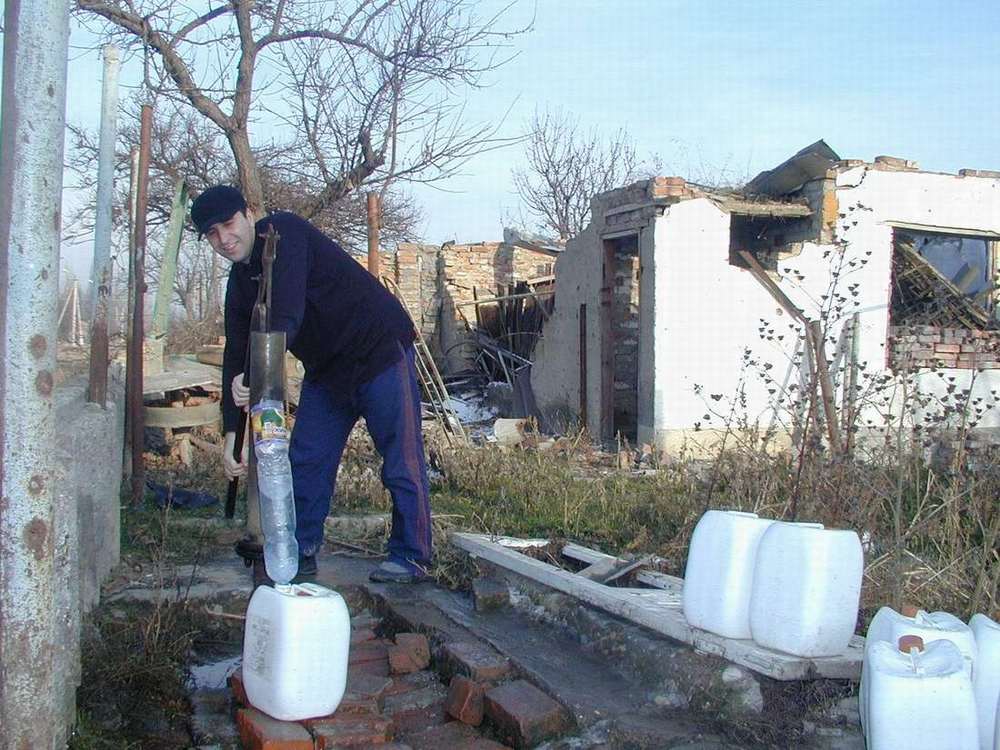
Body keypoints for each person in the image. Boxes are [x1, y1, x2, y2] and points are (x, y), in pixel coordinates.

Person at [190, 185, 432, 584]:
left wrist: (252, 379)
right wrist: (232, 434)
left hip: (378, 350)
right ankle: (299, 552)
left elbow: (286, 315)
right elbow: (237, 349)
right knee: (306, 461)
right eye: (212, 233)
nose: (224, 239)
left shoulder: (284, 234)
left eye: (228, 224)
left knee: (401, 460)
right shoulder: (240, 281)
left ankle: (412, 555)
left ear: (249, 213)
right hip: (328, 369)